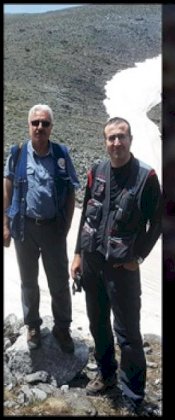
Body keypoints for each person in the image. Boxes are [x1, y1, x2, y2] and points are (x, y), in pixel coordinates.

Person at [70, 117, 162, 408]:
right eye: (111, 138)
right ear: (105, 141)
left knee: (128, 335)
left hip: (122, 268)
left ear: (130, 139)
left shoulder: (145, 177)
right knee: (98, 324)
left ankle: (133, 395)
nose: (116, 143)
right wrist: (77, 254)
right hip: (92, 262)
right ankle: (106, 375)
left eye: (121, 137)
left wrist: (138, 256)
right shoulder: (96, 171)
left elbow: (158, 222)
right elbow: (86, 214)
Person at [3, 104, 79, 354]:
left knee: (59, 282)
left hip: (53, 229)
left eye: (45, 123)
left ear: (51, 127)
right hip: (24, 228)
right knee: (28, 281)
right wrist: (4, 223)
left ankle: (62, 327)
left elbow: (70, 192)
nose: (40, 127)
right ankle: (32, 325)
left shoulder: (61, 153)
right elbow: (7, 190)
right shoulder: (17, 153)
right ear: (29, 125)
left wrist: (66, 225)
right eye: (35, 122)